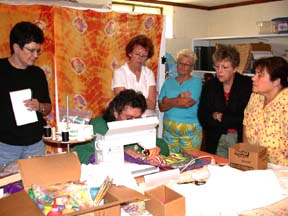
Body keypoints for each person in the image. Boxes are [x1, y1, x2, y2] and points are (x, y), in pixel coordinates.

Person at [0, 21, 52, 166]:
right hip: (5, 147)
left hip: (35, 145)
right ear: (16, 47)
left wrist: (39, 106)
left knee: (36, 186)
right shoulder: (1, 70)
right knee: (6, 186)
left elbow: (47, 108)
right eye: (31, 50)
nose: (35, 55)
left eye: (38, 50)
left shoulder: (38, 74)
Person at [73, 89, 169, 164]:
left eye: (138, 117)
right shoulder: (97, 126)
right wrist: (119, 154)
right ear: (116, 113)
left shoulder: (139, 124)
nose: (134, 122)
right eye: (129, 118)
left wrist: (155, 149)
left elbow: (164, 147)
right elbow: (78, 153)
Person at [198, 44, 252, 158]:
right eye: (217, 67)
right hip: (215, 137)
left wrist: (219, 116)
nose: (219, 71)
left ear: (235, 68)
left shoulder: (247, 85)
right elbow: (202, 115)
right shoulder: (210, 85)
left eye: (225, 67)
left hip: (240, 138)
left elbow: (247, 116)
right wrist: (215, 117)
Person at [243, 56, 288, 166]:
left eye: (260, 75)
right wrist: (247, 159)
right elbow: (246, 125)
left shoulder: (285, 104)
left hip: (281, 170)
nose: (253, 78)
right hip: (255, 164)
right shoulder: (255, 97)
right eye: (255, 74)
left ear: (276, 81)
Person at [158, 49, 203, 153]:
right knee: (170, 161)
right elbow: (161, 107)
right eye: (180, 63)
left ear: (192, 67)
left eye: (187, 64)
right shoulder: (168, 83)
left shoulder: (196, 82)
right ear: (176, 64)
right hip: (169, 131)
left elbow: (187, 103)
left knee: (190, 162)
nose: (183, 66)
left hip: (190, 130)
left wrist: (168, 100)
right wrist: (179, 98)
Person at [112, 34, 156, 116]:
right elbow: (122, 103)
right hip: (128, 120)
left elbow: (152, 104)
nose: (140, 58)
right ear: (130, 53)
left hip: (148, 118)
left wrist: (132, 100)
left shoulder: (149, 73)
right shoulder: (119, 73)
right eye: (137, 54)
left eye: (144, 55)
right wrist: (144, 101)